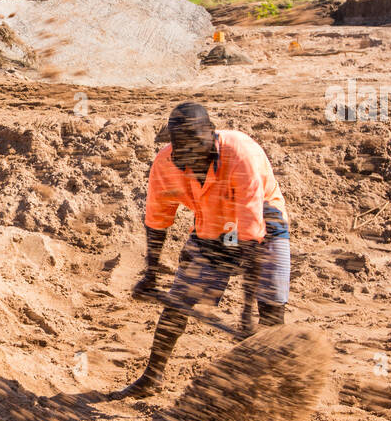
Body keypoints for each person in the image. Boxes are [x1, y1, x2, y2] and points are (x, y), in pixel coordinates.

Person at [112, 102, 290, 399]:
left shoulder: (241, 155)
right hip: (213, 225)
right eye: (183, 148)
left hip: (263, 224)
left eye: (197, 145)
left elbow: (250, 235)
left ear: (212, 134)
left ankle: (271, 392)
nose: (191, 155)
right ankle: (151, 378)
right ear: (173, 146)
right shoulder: (165, 164)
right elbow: (158, 221)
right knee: (176, 304)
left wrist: (246, 312)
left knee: (271, 312)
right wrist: (151, 274)